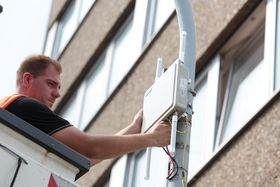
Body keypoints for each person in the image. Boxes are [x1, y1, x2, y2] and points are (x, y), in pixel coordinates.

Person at [0, 54, 171, 165]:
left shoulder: (14, 116)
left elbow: (82, 159)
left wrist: (133, 129)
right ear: (28, 80)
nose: (57, 94)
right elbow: (90, 147)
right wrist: (153, 139)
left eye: (59, 87)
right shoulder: (25, 106)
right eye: (51, 84)